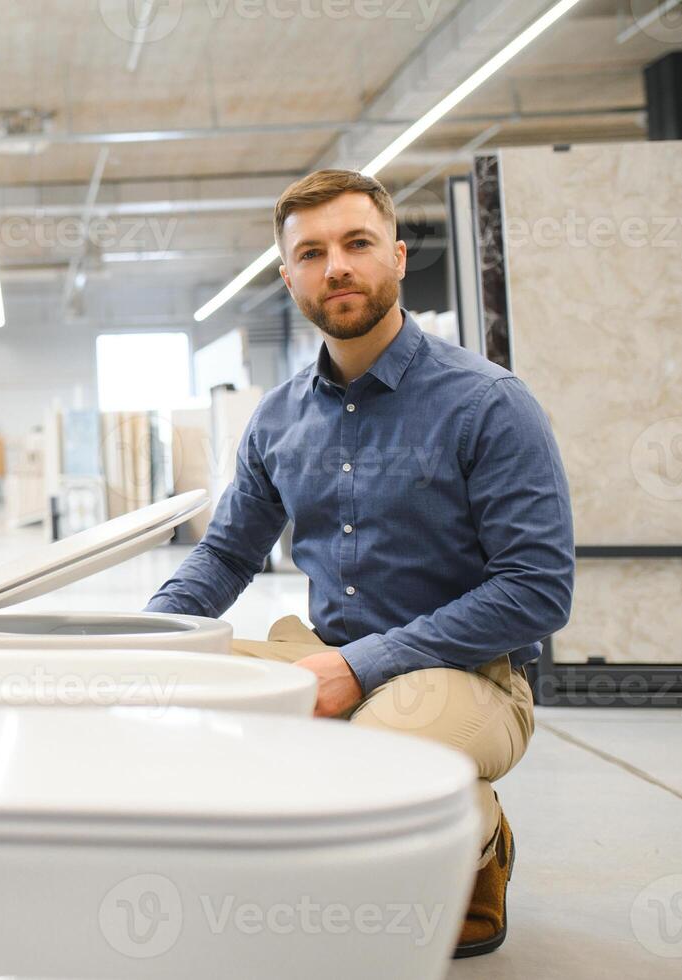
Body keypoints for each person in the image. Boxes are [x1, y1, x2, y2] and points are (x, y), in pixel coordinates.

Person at [146, 169, 574, 958]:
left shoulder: (486, 403)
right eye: (310, 253)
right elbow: (226, 553)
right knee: (166, 700)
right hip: (322, 656)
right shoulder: (276, 418)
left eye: (356, 243)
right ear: (287, 277)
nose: (334, 266)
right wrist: (141, 646)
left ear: (398, 258)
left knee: (371, 764)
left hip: (467, 675)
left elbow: (537, 590)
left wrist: (360, 663)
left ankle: (474, 836)